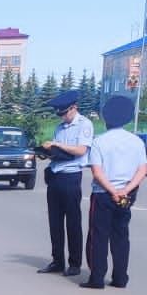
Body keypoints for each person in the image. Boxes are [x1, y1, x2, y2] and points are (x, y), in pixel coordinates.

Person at [80, 95, 147, 290]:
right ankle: (120, 278)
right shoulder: (136, 142)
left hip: (103, 194)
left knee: (98, 236)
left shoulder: (99, 142)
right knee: (121, 235)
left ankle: (97, 278)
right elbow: (142, 170)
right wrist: (125, 190)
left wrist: (112, 191)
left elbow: (97, 171)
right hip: (127, 195)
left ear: (106, 117)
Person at [37, 90, 94, 276]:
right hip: (55, 175)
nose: (62, 116)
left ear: (74, 108)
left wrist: (57, 146)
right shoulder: (60, 128)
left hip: (71, 177)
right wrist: (46, 152)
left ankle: (75, 263)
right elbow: (58, 152)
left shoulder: (85, 125)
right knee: (55, 221)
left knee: (73, 222)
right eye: (59, 114)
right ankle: (57, 261)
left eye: (64, 113)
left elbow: (81, 150)